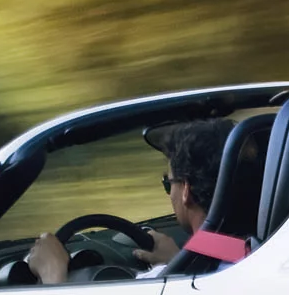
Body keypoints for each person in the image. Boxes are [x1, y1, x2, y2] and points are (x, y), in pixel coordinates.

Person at [23, 117, 230, 286]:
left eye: (168, 183)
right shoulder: (249, 249)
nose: (170, 193)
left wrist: (53, 274)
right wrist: (177, 260)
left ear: (186, 190)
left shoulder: (156, 288)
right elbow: (235, 256)